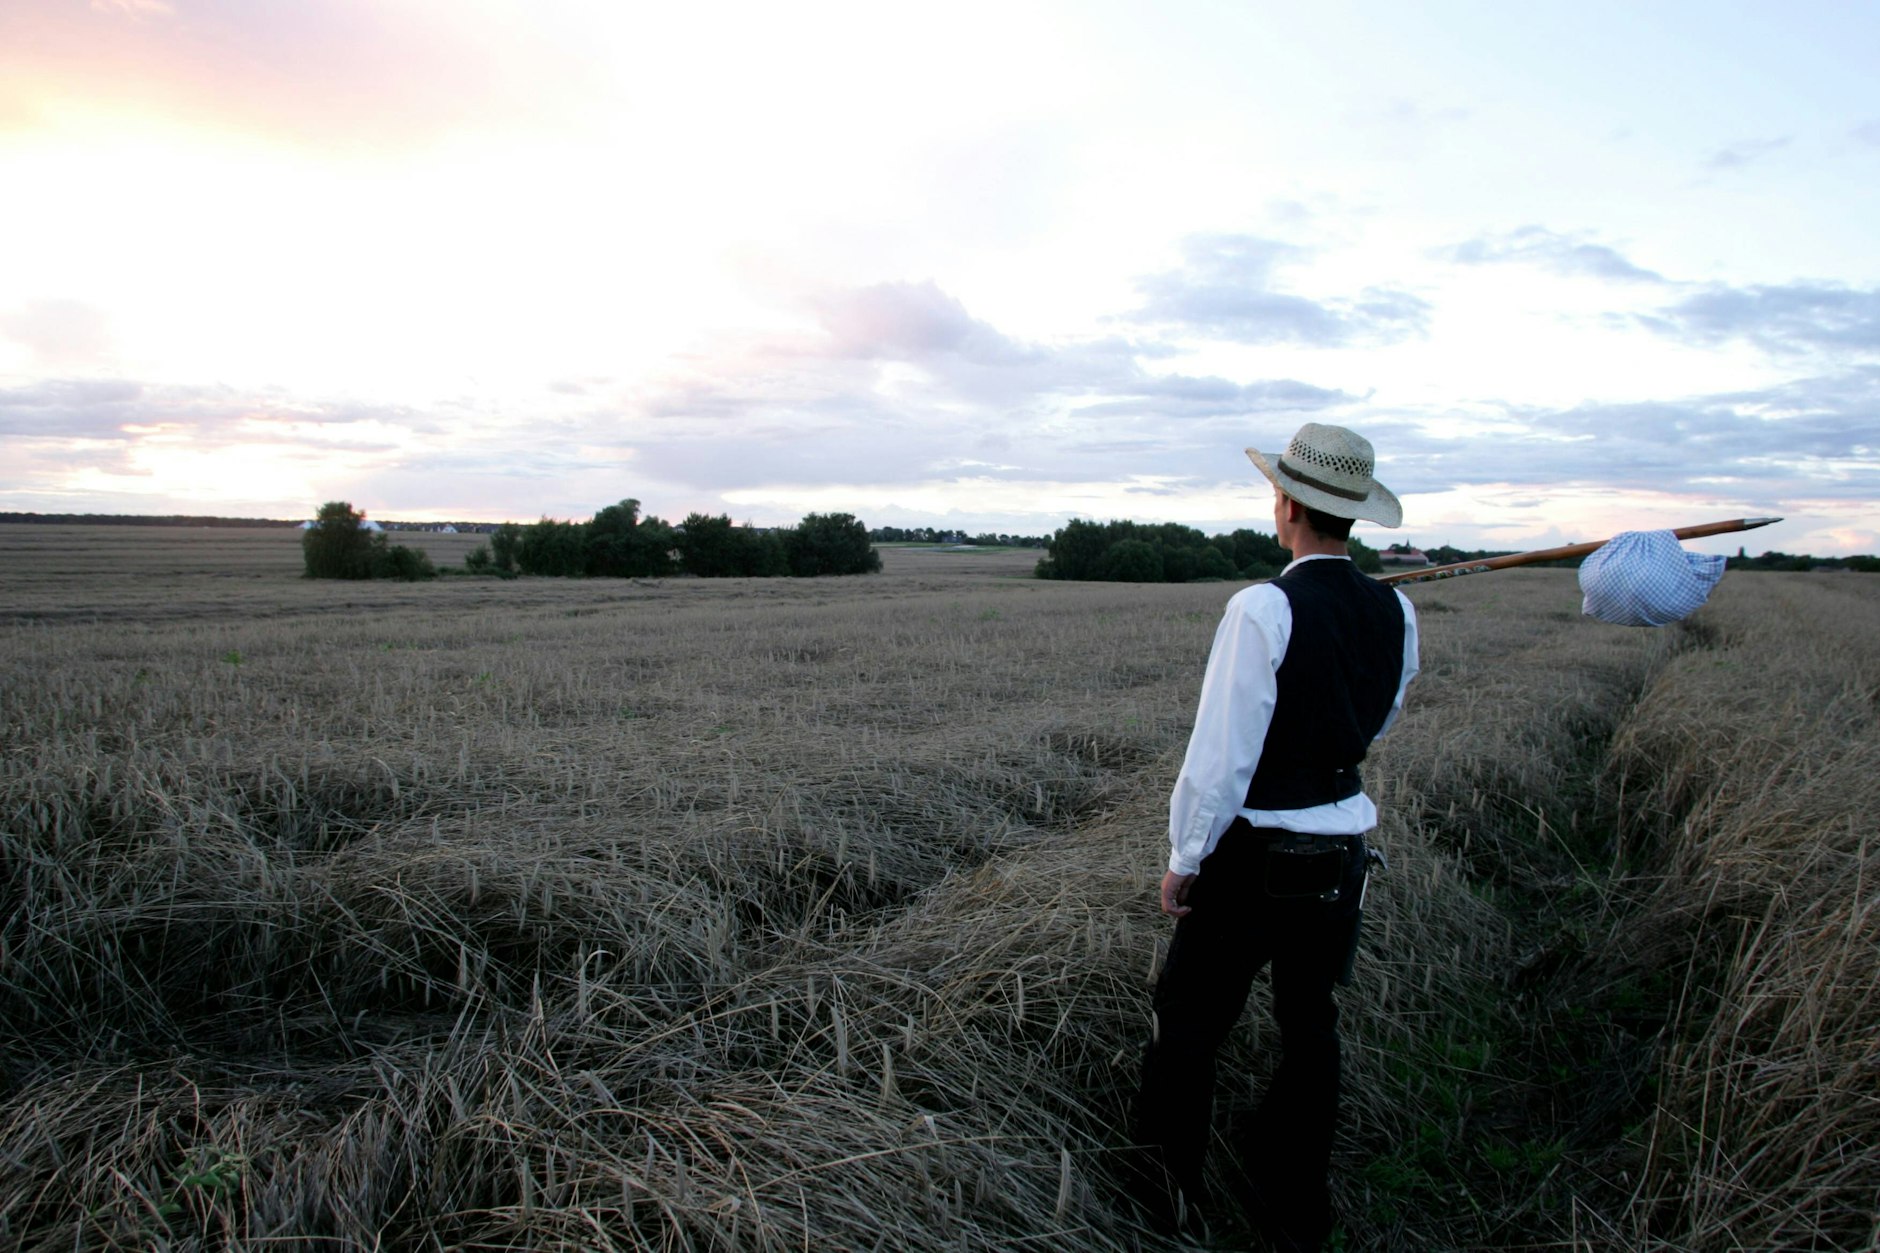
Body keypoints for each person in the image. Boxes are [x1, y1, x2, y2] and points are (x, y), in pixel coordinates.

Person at [1130, 422, 1419, 1251]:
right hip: (1341, 858)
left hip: (1254, 857)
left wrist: (1185, 859)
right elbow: (1380, 717)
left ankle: (1167, 1201)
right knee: (1310, 1027)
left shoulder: (1262, 605)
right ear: (1354, 513)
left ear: (1286, 502)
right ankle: (1297, 1208)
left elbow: (1220, 756)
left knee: (1187, 1024)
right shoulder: (1396, 609)